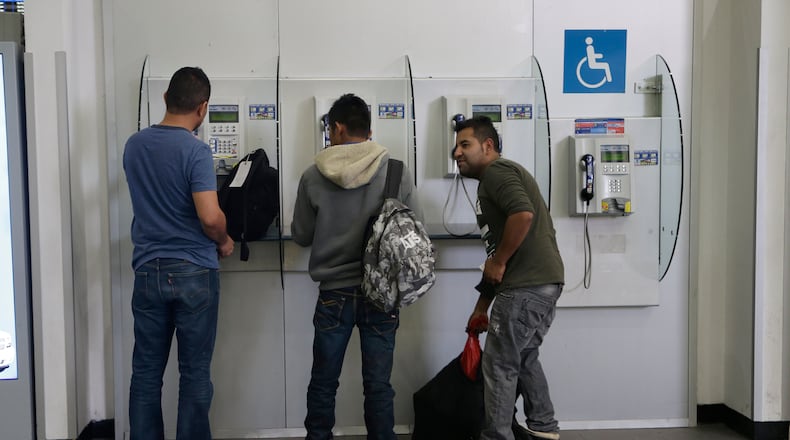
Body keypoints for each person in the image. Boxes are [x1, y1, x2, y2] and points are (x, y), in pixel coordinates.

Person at [292, 93, 422, 440]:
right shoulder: (395, 171)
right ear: (369, 128)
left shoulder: (312, 175)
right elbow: (414, 228)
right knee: (378, 386)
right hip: (382, 293)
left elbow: (302, 235)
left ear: (336, 127)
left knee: (323, 382)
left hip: (334, 293)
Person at [123, 66, 234, 440]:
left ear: (166, 99)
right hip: (193, 273)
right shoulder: (196, 151)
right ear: (202, 109)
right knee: (194, 374)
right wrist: (223, 239)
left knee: (146, 374)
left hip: (147, 271)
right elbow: (209, 216)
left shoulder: (135, 145)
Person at [454, 116, 564, 440]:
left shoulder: (497, 173)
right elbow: (496, 259)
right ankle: (544, 428)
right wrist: (481, 306)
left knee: (499, 365)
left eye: (465, 144)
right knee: (524, 356)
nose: (457, 152)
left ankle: (498, 436)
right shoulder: (496, 178)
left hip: (526, 287)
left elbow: (523, 214)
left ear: (488, 146)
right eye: (456, 145)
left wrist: (500, 260)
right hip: (543, 284)